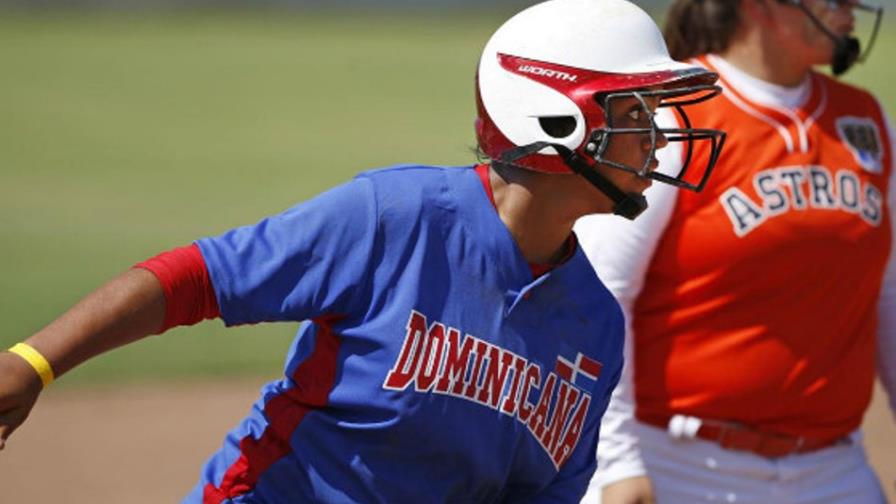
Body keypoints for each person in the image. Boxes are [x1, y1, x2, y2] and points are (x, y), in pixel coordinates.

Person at [0, 0, 726, 502]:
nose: (659, 138)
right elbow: (199, 279)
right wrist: (33, 364)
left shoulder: (594, 326)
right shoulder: (396, 218)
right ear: (556, 118)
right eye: (636, 112)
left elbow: (540, 493)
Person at [576, 0, 894, 503]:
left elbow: (889, 296)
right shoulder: (678, 115)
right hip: (679, 465)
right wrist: (615, 460)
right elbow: (600, 290)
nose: (852, 7)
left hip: (835, 470)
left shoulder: (865, 122)